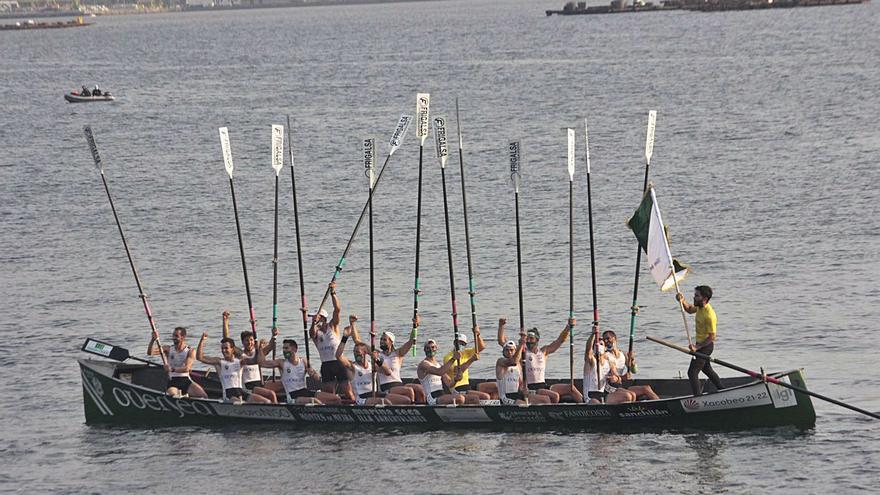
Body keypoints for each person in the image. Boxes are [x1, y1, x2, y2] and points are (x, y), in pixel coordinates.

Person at [498, 317, 572, 404]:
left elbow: (559, 341)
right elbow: (503, 342)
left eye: (531, 338)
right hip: (530, 387)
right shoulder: (522, 351)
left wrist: (568, 327)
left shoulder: (544, 351)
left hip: (543, 385)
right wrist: (501, 326)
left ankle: (584, 404)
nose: (528, 341)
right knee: (553, 397)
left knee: (571, 388)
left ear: (537, 339)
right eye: (527, 339)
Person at [256, 328, 340, 405]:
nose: (284, 351)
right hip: (293, 396)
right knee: (315, 401)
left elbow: (317, 378)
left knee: (335, 398)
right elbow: (262, 363)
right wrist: (260, 349)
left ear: (295, 349)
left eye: (286, 348)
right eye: (283, 349)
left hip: (305, 392)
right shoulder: (281, 363)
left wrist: (313, 374)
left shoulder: (303, 361)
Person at [335, 323, 411, 405]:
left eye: (358, 352)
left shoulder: (372, 365)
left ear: (365, 353)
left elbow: (388, 372)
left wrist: (378, 360)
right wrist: (345, 337)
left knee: (406, 400)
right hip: (362, 398)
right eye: (354, 352)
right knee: (385, 402)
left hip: (375, 394)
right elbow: (338, 356)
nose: (356, 354)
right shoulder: (352, 366)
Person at [309, 281, 354, 401]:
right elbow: (311, 333)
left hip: (338, 363)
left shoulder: (332, 326)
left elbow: (337, 309)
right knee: (329, 394)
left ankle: (354, 406)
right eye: (312, 318)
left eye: (315, 317)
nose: (313, 320)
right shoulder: (315, 332)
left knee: (347, 391)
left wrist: (333, 293)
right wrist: (313, 322)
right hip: (326, 365)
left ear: (322, 318)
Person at [196, 333, 270, 404]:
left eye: (226, 348)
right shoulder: (219, 362)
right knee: (241, 404)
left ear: (232, 349)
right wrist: (202, 341)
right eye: (222, 348)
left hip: (241, 392)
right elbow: (199, 357)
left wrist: (258, 349)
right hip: (229, 395)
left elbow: (255, 360)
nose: (223, 351)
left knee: (267, 402)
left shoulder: (240, 362)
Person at [677, 285, 725, 396]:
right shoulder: (699, 307)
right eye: (694, 295)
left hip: (706, 346)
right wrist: (682, 300)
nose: (694, 298)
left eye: (697, 296)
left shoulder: (710, 315)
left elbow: (712, 337)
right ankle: (722, 389)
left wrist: (697, 347)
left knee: (692, 372)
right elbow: (689, 309)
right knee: (706, 369)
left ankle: (698, 398)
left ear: (704, 299)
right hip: (700, 345)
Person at [222, 311, 277, 403]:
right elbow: (226, 340)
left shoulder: (258, 352)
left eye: (251, 340)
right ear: (243, 342)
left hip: (259, 384)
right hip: (248, 387)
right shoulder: (240, 353)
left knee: (272, 394)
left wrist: (274, 335)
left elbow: (271, 346)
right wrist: (225, 322)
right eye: (246, 340)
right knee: (270, 394)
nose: (249, 342)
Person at [147, 326, 208, 399]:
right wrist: (153, 340)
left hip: (186, 381)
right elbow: (150, 353)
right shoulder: (168, 349)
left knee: (204, 396)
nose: (173, 338)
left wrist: (171, 369)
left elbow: (186, 368)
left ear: (183, 337)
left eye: (176, 336)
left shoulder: (190, 351)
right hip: (173, 381)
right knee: (172, 396)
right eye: (173, 335)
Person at [495, 331, 552, 406]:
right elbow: (513, 361)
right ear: (503, 352)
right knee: (525, 405)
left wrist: (524, 389)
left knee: (545, 399)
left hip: (517, 395)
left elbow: (521, 383)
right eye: (507, 350)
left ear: (515, 351)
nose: (509, 352)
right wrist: (521, 344)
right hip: (506, 398)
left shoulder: (519, 365)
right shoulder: (501, 362)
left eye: (511, 350)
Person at [375, 315, 422, 403]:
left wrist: (415, 326)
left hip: (399, 385)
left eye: (384, 340)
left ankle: (422, 407)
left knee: (419, 388)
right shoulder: (377, 355)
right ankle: (411, 408)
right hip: (386, 387)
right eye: (381, 339)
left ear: (391, 342)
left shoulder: (398, 354)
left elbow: (411, 341)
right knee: (409, 391)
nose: (381, 341)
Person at [602, 330, 659, 401]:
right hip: (610, 389)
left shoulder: (623, 354)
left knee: (646, 388)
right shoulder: (606, 356)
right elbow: (612, 379)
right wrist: (623, 377)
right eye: (604, 340)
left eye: (608, 338)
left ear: (614, 338)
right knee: (630, 395)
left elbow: (634, 371)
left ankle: (661, 404)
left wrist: (632, 360)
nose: (606, 341)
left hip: (621, 386)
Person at [584, 332, 635, 404]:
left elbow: (617, 376)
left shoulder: (609, 361)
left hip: (603, 394)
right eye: (596, 345)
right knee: (595, 402)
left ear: (604, 348)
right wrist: (593, 334)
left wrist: (617, 378)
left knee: (631, 395)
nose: (598, 346)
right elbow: (587, 352)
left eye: (601, 344)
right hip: (590, 396)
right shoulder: (591, 361)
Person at [443, 329, 491, 404]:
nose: (460, 345)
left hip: (466, 386)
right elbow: (458, 370)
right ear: (454, 343)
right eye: (459, 343)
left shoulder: (466, 352)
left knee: (490, 392)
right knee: (480, 397)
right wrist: (471, 360)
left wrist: (477, 335)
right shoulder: (448, 357)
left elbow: (481, 347)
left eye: (463, 344)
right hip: (456, 388)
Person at [417, 340, 472, 405]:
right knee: (460, 398)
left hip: (442, 395)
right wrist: (453, 359)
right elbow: (439, 372)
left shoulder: (439, 365)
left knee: (473, 398)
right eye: (428, 348)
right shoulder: (423, 365)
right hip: (432, 398)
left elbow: (449, 384)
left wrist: (455, 379)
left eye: (432, 347)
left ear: (436, 348)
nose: (430, 350)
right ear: (424, 350)